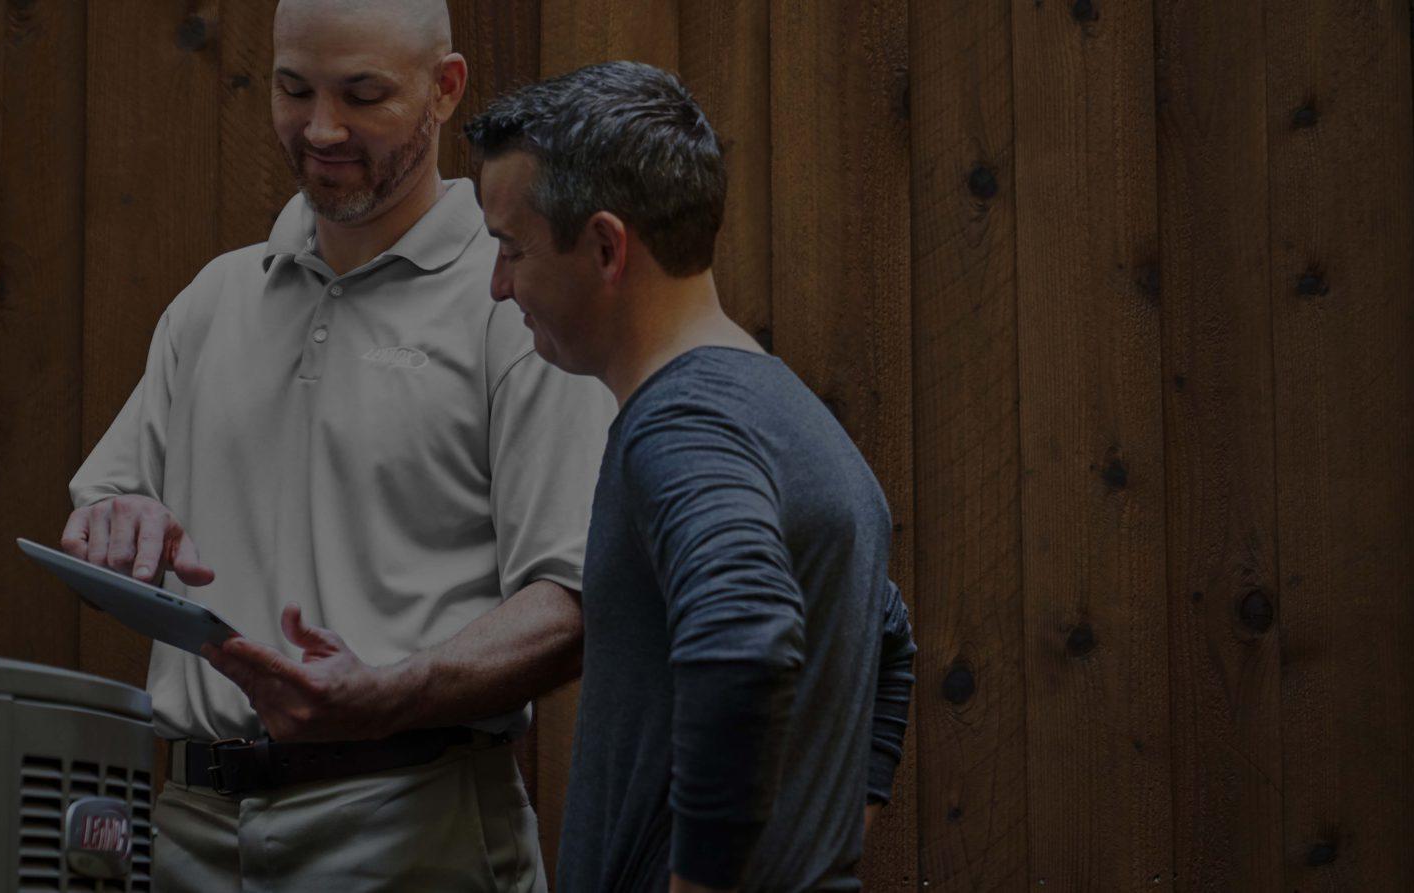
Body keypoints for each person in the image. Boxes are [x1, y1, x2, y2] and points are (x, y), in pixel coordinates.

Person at [59, 0, 611, 888]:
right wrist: (118, 521)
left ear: (446, 89)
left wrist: (396, 693)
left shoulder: (511, 302)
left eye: (361, 94)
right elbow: (113, 501)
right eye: (293, 89)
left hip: (411, 828)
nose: (321, 129)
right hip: (186, 830)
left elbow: (574, 600)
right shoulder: (214, 299)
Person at [460, 60, 919, 892]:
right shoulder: (787, 414)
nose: (498, 286)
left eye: (511, 249)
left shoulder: (681, 426)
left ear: (605, 246)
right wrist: (824, 847)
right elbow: (888, 632)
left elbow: (743, 629)